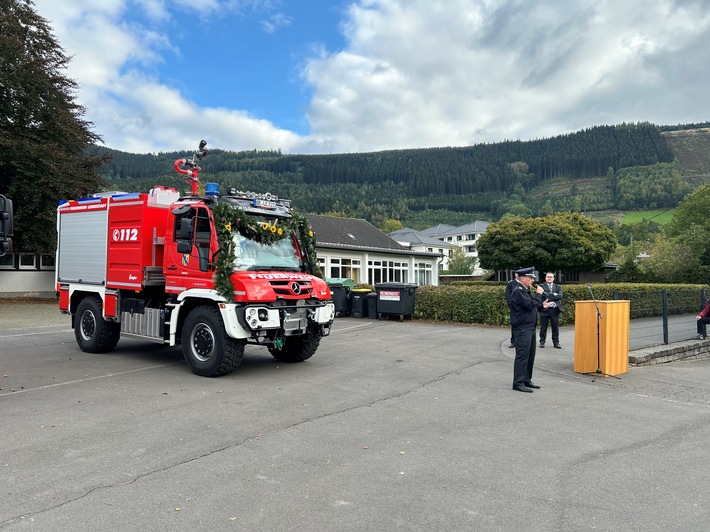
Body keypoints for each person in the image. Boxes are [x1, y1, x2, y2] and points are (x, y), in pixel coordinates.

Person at [509, 267, 548, 393]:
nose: (532, 280)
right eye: (530, 278)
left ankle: (526, 379)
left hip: (529, 328)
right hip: (522, 328)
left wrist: (542, 306)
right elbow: (529, 305)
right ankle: (518, 383)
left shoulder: (525, 290)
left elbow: (531, 307)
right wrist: (539, 294)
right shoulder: (518, 291)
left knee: (530, 355)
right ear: (523, 278)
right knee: (522, 356)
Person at [538, 272, 564, 349]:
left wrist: (549, 295)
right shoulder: (541, 286)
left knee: (555, 327)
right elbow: (543, 295)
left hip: (554, 310)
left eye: (551, 277)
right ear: (545, 278)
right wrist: (554, 294)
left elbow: (560, 296)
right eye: (548, 277)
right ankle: (542, 342)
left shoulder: (558, 287)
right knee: (543, 327)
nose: (549, 278)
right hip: (544, 310)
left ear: (553, 278)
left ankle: (556, 343)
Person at [504, 271, 519, 348]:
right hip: (514, 308)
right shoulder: (511, 283)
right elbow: (508, 296)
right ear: (515, 274)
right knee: (514, 324)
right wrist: (512, 306)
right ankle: (513, 341)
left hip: (523, 308)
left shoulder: (524, 283)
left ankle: (520, 341)